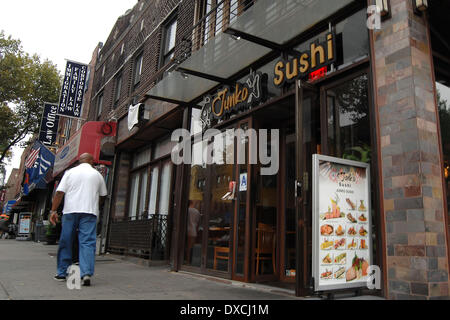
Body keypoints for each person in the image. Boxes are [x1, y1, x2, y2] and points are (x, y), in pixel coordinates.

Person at [49, 153, 107, 286]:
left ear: (79, 161)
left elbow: (59, 193)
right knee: (87, 242)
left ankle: (62, 273)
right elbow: (103, 195)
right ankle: (86, 273)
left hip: (70, 211)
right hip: (89, 212)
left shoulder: (70, 172)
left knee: (66, 240)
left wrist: (53, 211)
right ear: (91, 161)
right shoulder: (97, 175)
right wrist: (96, 205)